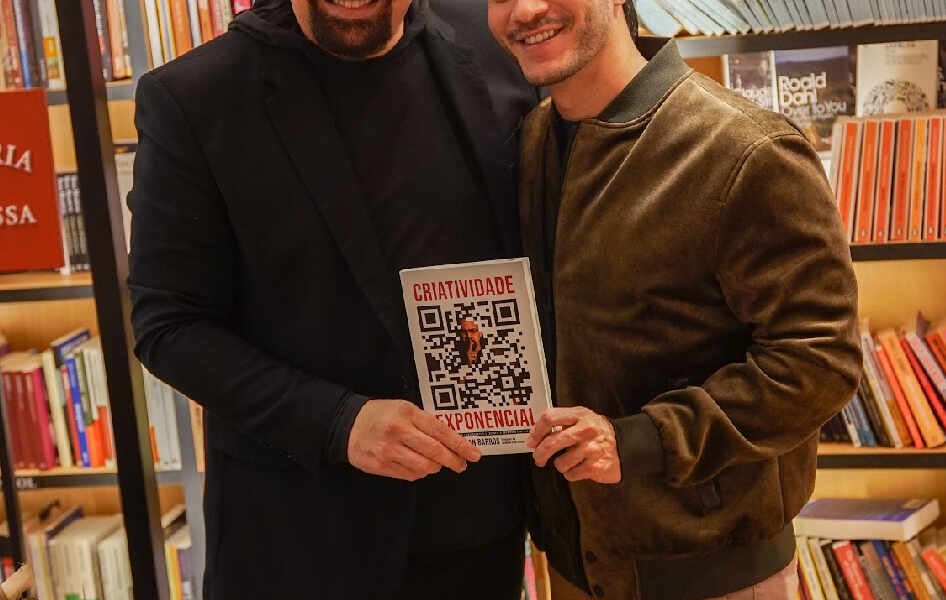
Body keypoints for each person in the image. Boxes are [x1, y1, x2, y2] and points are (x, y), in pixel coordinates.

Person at [127, 0, 538, 597]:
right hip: (298, 542)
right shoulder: (194, 97)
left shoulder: (502, 39)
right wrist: (338, 422)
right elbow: (168, 324)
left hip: (480, 532)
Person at [487, 1, 863, 599]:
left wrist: (642, 440)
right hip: (573, 569)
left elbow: (821, 360)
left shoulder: (744, 147)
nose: (526, 9)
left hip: (715, 576)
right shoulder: (533, 140)